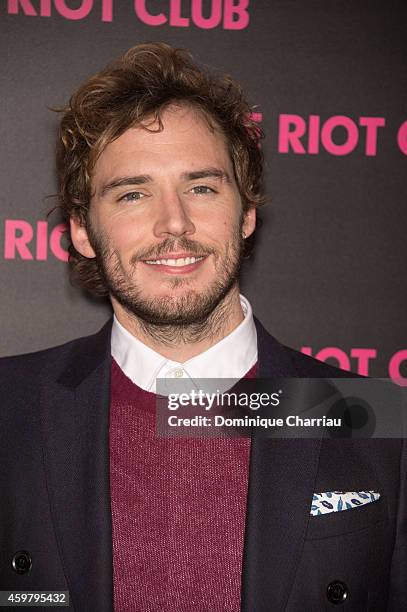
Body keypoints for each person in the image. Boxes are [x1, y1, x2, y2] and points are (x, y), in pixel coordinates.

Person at [0, 42, 405, 612]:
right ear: (84, 232)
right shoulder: (9, 407)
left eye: (201, 187)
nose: (174, 223)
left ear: (246, 213)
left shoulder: (373, 420)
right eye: (133, 193)